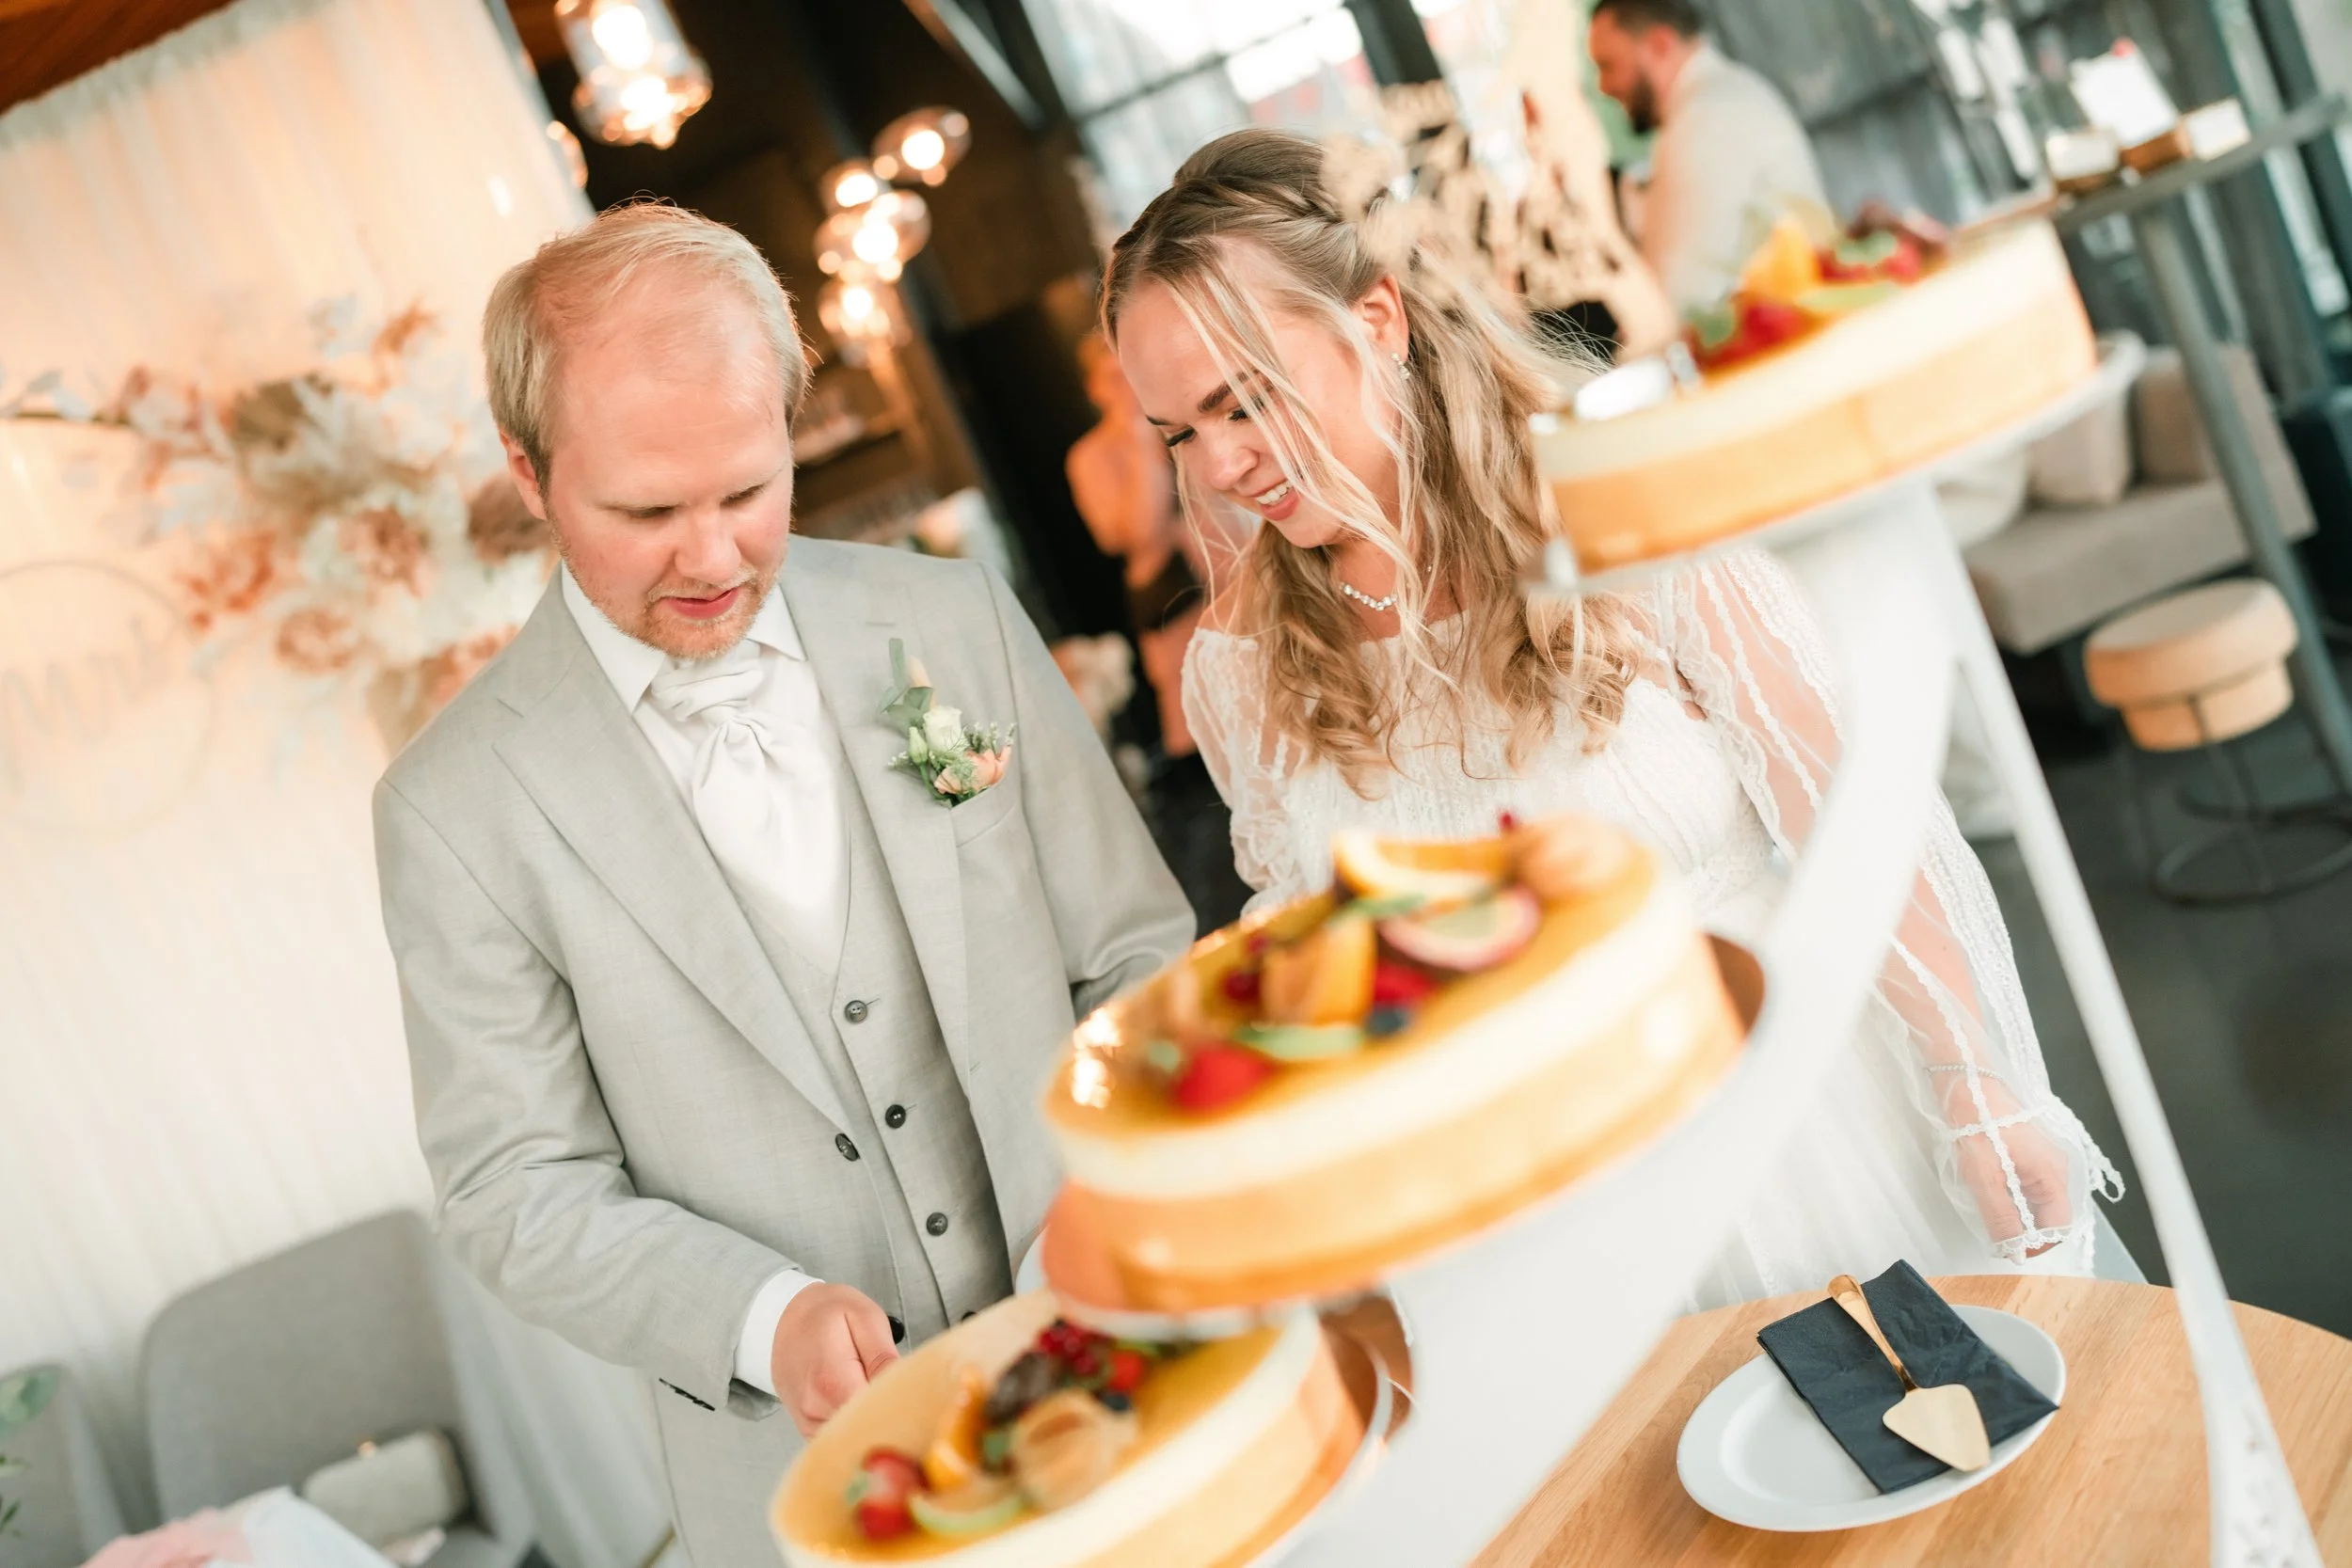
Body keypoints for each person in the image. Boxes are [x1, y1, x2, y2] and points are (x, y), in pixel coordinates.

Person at [1103, 129, 2125, 1305]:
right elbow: (1321, 977)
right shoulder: (1239, 672)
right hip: (1539, 1246)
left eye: (1246, 401)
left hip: (1801, 1136)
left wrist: (1969, 1079)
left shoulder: (1629, 509)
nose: (1221, 465)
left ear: (1376, 321)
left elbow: (1856, 816)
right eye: (1180, 431)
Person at [373, 204, 1193, 1566]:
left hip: (1141, 1353)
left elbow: (1136, 953)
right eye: (647, 511)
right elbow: (517, 1185)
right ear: (529, 470)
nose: (713, 558)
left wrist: (1125, 1189)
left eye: (750, 489)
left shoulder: (950, 618)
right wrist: (762, 1314)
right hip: (817, 1499)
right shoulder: (453, 809)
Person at [1066, 331, 1253, 933]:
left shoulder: (1184, 422)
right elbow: (1134, 532)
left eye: (1130, 373)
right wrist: (1141, 444)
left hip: (1235, 578)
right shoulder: (1091, 457)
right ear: (1095, 388)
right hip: (1175, 611)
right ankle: (1230, 874)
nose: (1125, 386)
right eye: (1111, 378)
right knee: (1200, 728)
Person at [1586, 0, 1829, 312]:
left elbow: (1678, 302)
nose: (1603, 87)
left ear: (1660, 44)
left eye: (1609, 65)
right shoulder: (1723, 96)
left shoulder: (1704, 119)